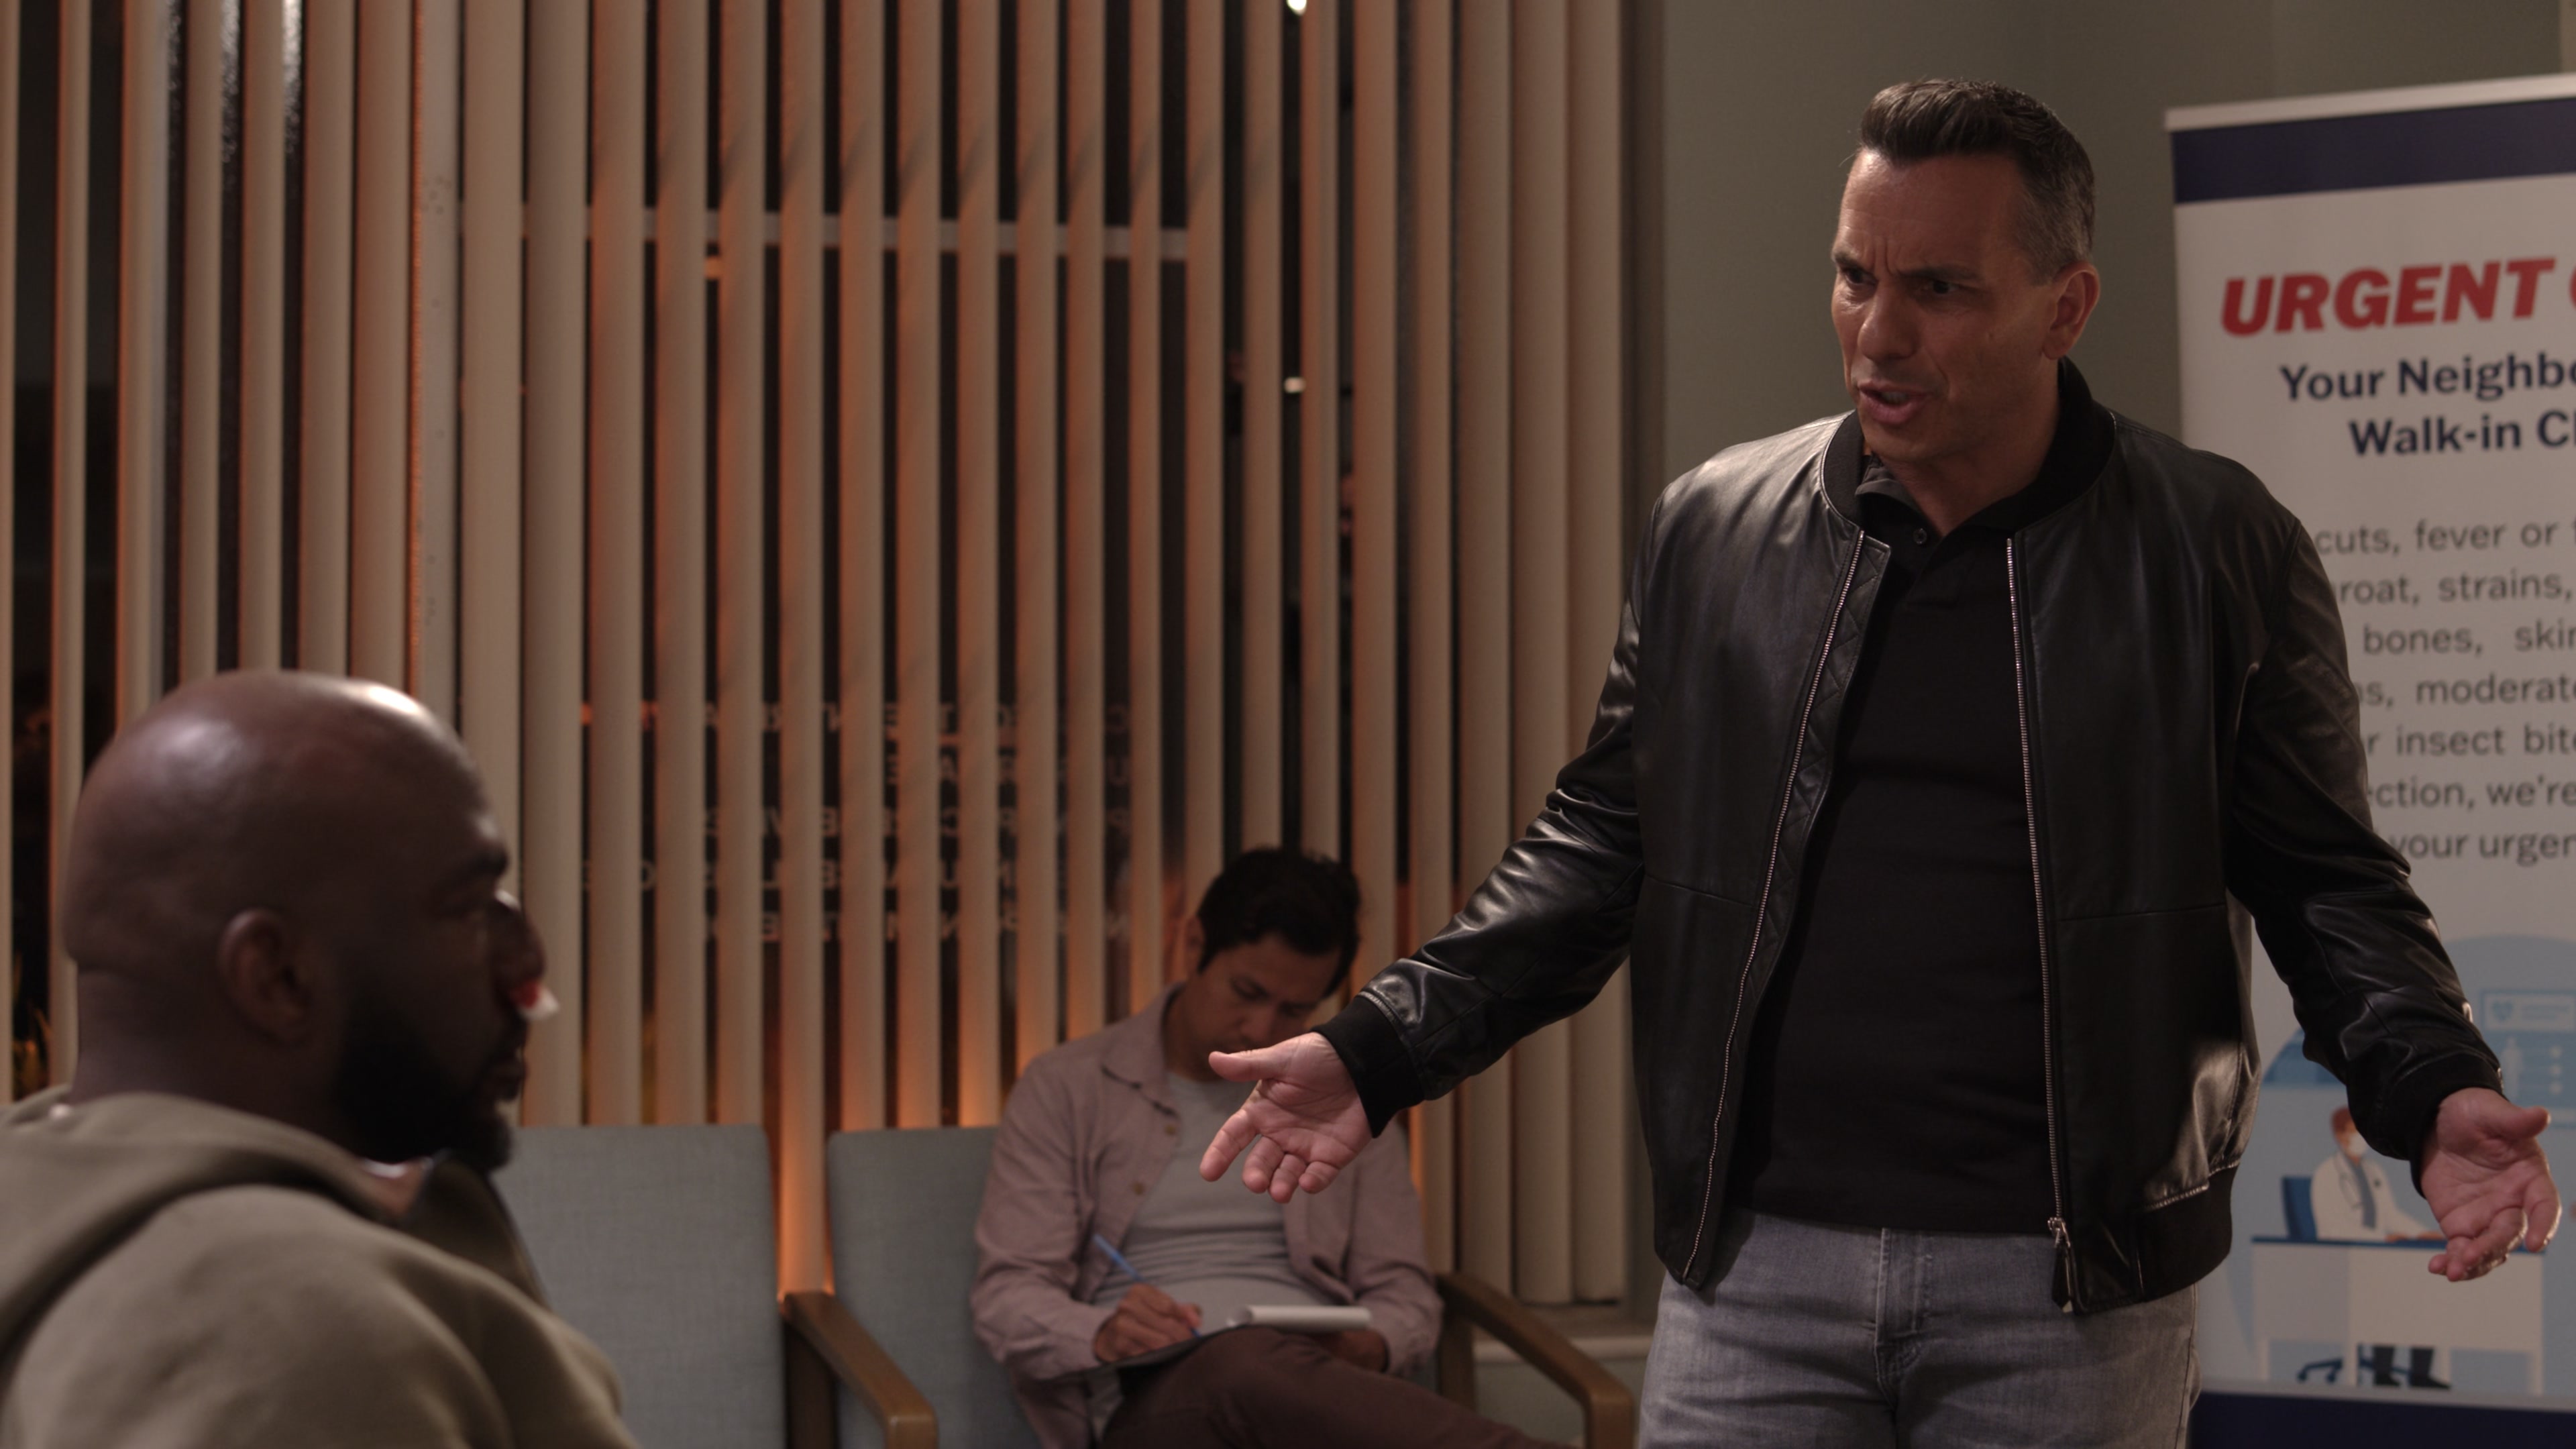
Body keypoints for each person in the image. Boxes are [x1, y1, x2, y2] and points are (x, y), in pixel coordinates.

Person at [1197, 79, 2561, 1447]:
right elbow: (1603, 842)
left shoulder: (2213, 549)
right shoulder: (1716, 530)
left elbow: (2327, 884)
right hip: (1756, 1273)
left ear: (2066, 308)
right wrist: (1383, 1047)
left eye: (1941, 290)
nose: (1880, 334)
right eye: (1857, 277)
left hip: (2068, 1291)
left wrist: (2431, 1087)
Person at [0, 672, 634, 1448]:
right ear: (279, 978)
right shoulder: (286, 1332)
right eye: (468, 910)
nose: (527, 969)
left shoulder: (47, 1202)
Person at [972, 847, 1546, 1449]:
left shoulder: (1343, 1100)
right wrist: (1103, 1333)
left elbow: (1403, 1294)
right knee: (1240, 1364)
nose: (1261, 1029)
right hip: (1151, 1403)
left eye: (1295, 1010)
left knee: (1260, 1366)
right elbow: (1009, 1293)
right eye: (1246, 991)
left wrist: (1368, 1346)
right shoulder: (1069, 1087)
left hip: (1310, 1386)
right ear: (1194, 944)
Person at [2313, 1106, 2437, 1242]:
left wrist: (2420, 1232)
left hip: (2372, 1247)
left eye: (2362, 1132)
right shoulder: (2326, 1173)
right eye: (2354, 1131)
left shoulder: (2374, 1170)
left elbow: (2389, 1214)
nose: (2360, 1137)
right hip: (2337, 1250)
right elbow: (2334, 1227)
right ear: (2340, 1136)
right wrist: (2381, 1238)